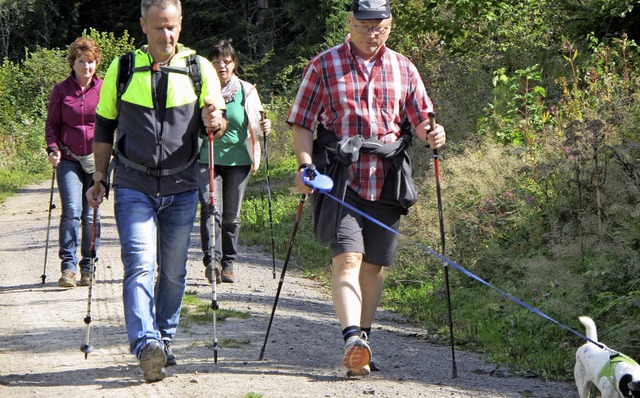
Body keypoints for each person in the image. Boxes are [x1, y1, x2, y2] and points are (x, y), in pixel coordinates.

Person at [287, 0, 446, 377]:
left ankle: (363, 342)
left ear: (389, 25)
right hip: (339, 178)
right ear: (350, 22)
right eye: (364, 25)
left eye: (380, 26)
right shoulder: (323, 65)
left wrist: (432, 133)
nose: (372, 33)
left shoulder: (403, 67)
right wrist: (305, 164)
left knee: (374, 267)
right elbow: (302, 122)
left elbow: (420, 117)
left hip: (387, 179)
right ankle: (352, 338)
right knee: (347, 260)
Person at [86, 0, 226, 383]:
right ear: (143, 26)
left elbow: (217, 124)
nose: (166, 35)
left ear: (181, 25)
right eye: (158, 27)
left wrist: (216, 119)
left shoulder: (199, 68)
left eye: (172, 27)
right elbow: (104, 125)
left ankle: (163, 338)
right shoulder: (123, 67)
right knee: (140, 264)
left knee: (175, 273)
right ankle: (146, 343)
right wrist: (99, 175)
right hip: (134, 182)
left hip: (182, 185)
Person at [198, 39, 271, 285]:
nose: (221, 66)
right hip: (206, 158)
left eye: (226, 62)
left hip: (239, 160)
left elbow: (257, 126)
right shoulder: (202, 90)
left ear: (234, 64)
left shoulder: (247, 90)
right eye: (216, 62)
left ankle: (228, 263)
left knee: (231, 216)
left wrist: (265, 128)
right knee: (211, 211)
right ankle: (212, 262)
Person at [45, 37, 103, 288]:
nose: (86, 67)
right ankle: (68, 267)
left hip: (97, 159)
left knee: (92, 214)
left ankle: (88, 265)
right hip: (68, 158)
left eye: (90, 62)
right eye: (82, 62)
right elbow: (52, 124)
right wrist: (53, 148)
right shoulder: (61, 90)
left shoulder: (104, 89)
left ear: (96, 63)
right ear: (73, 62)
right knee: (71, 211)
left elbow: (113, 123)